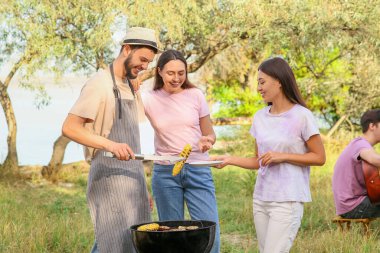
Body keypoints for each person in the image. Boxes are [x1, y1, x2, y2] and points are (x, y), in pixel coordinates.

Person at [62, 27, 160, 253]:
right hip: (107, 177)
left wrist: (142, 186)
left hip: (131, 178)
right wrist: (109, 144)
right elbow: (69, 127)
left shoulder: (128, 84)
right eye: (142, 59)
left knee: (132, 243)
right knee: (113, 243)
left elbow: (131, 142)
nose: (145, 66)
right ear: (127, 49)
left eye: (148, 62)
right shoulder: (100, 83)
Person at [213, 57, 326, 253]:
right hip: (261, 198)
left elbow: (319, 157)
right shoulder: (260, 117)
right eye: (258, 82)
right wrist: (229, 159)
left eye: (262, 81)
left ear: (279, 81)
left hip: (288, 199)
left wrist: (282, 156)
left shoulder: (302, 116)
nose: (258, 87)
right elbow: (259, 161)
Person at [142, 49, 220, 253]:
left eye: (181, 73)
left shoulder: (195, 95)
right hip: (166, 173)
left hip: (198, 169)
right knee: (170, 235)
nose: (176, 78)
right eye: (170, 73)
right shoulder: (148, 99)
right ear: (159, 72)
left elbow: (210, 133)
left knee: (209, 230)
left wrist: (207, 141)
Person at [332, 109, 380, 219]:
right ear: (372, 126)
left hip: (350, 204)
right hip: (354, 206)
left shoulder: (358, 143)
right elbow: (374, 160)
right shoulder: (361, 145)